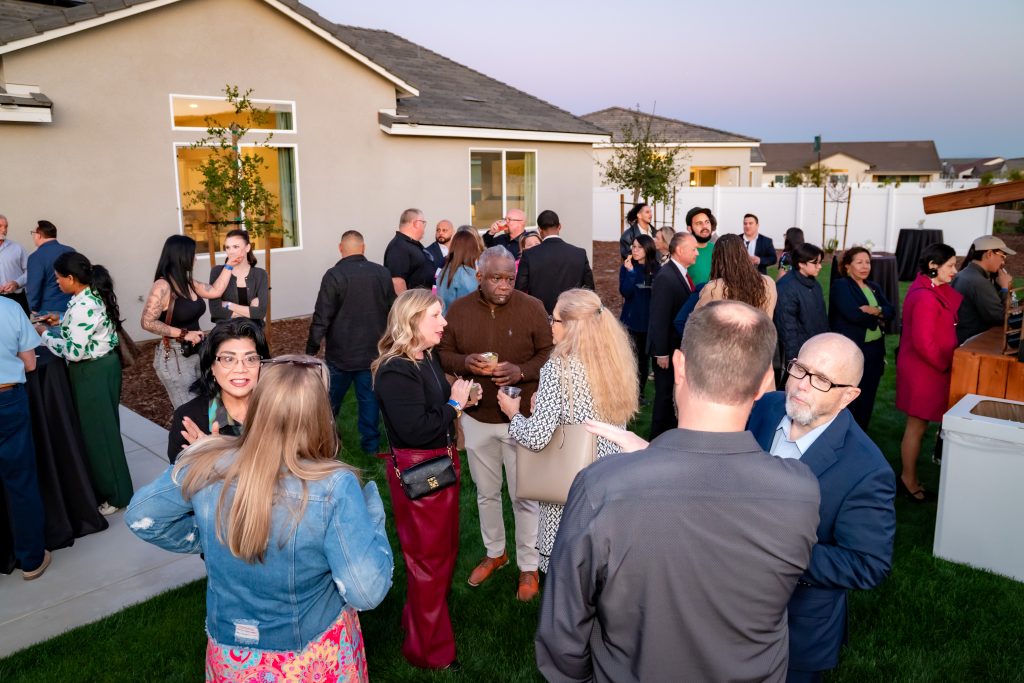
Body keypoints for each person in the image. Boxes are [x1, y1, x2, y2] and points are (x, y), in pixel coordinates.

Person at [536, 302, 820, 683]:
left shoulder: (602, 489)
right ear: (764, 382)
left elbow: (562, 633)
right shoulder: (801, 490)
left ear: (680, 366)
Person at [127, 356, 393, 682]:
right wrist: (373, 517)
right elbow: (366, 592)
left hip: (231, 657)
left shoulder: (209, 461)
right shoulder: (333, 487)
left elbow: (142, 516)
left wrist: (217, 534)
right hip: (311, 659)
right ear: (320, 415)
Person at [748, 333, 896, 682]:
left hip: (795, 631)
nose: (801, 385)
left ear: (849, 396)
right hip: (725, 609)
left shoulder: (867, 470)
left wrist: (774, 554)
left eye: (823, 380)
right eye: (800, 369)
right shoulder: (767, 408)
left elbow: (868, 564)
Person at [437, 246, 553, 601]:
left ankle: (528, 566)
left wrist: (521, 370)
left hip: (520, 419)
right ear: (480, 277)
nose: (504, 285)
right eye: (496, 278)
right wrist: (465, 362)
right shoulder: (458, 311)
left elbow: (548, 353)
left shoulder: (532, 307)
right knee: (486, 493)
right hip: (476, 418)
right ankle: (495, 552)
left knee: (524, 495)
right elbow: (443, 353)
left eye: (509, 278)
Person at [498, 288, 637, 576]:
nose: (550, 324)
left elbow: (537, 437)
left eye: (555, 319)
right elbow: (585, 412)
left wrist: (513, 413)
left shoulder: (559, 367)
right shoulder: (614, 359)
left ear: (573, 326)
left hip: (572, 487)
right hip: (611, 479)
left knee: (568, 583)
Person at [373, 290, 475, 669]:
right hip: (421, 474)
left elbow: (434, 411)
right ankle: (430, 652)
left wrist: (456, 400)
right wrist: (454, 405)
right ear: (413, 321)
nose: (444, 322)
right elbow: (417, 430)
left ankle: (418, 623)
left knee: (441, 556)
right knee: (429, 563)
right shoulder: (395, 370)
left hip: (440, 467)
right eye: (436, 315)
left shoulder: (425, 357)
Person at [36, 252, 132, 515]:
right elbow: (80, 330)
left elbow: (74, 352)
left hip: (92, 372)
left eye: (58, 278)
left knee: (100, 435)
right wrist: (58, 323)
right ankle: (114, 487)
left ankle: (117, 494)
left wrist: (45, 335)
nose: (56, 283)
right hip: (100, 369)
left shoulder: (82, 305)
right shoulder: (86, 297)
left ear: (70, 278)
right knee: (102, 431)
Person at [306, 230, 394, 452]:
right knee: (369, 401)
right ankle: (371, 447)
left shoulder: (334, 275)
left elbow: (322, 315)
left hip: (340, 354)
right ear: (363, 248)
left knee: (329, 403)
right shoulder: (382, 273)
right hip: (373, 352)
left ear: (340, 249)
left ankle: (325, 442)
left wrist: (311, 347)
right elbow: (393, 310)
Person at [141, 235, 242, 408]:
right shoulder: (163, 286)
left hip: (196, 353)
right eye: (192, 254)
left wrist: (229, 265)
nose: (195, 258)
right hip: (175, 357)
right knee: (188, 412)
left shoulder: (187, 283)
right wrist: (183, 334)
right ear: (181, 256)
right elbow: (147, 322)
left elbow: (216, 290)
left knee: (204, 407)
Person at [895, 243, 961, 503]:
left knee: (920, 426)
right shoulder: (924, 296)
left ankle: (909, 476)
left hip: (930, 369)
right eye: (950, 265)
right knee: (916, 426)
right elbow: (924, 342)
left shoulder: (932, 289)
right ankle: (907, 479)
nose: (955, 270)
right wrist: (946, 364)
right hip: (924, 371)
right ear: (933, 266)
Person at [167, 318, 270, 463]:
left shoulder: (280, 409)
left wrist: (221, 460)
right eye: (228, 359)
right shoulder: (190, 419)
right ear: (212, 367)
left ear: (262, 364)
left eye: (251, 359)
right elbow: (178, 481)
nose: (240, 369)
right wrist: (200, 466)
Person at [0, 296, 51, 579]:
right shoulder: (8, 308)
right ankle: (31, 560)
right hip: (7, 398)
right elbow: (30, 364)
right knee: (20, 480)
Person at [829, 246, 895, 430]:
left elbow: (891, 311)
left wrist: (875, 310)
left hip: (874, 350)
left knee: (868, 394)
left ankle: (861, 432)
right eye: (859, 262)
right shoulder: (841, 286)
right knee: (850, 395)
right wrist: (879, 314)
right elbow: (853, 315)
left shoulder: (874, 287)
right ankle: (843, 431)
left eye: (867, 262)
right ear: (848, 266)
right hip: (853, 349)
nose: (865, 266)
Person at [647, 232, 699, 439]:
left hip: (674, 348)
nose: (696, 253)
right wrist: (661, 353)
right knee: (664, 397)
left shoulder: (681, 274)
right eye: (693, 249)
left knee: (671, 396)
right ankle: (656, 441)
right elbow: (659, 316)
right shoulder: (666, 276)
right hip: (666, 350)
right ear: (679, 250)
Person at [515, 209, 594, 313]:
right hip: (570, 314)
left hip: (540, 314)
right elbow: (589, 290)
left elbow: (520, 290)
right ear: (559, 226)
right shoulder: (579, 254)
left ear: (540, 230)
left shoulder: (529, 255)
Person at [775, 242, 828, 375]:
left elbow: (822, 319)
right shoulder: (786, 287)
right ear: (801, 264)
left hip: (816, 351)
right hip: (800, 358)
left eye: (820, 262)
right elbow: (787, 330)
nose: (820, 266)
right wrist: (795, 363)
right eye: (815, 263)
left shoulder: (814, 285)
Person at [952, 235, 1016, 345]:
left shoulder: (964, 274)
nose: (1003, 262)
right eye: (1003, 256)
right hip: (972, 343)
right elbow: (1000, 318)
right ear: (989, 254)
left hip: (960, 336)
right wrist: (1005, 288)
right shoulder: (979, 282)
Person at [695, 233, 778, 316]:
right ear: (744, 253)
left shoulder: (714, 288)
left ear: (717, 258)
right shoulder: (769, 282)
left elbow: (696, 321)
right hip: (762, 329)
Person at [619, 234, 660, 399]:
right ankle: (627, 392)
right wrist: (630, 272)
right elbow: (625, 292)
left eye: (638, 247)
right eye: (633, 246)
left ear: (647, 248)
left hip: (648, 322)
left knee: (643, 360)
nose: (634, 250)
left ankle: (640, 393)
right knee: (629, 359)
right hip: (630, 321)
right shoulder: (628, 267)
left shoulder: (657, 269)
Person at [208, 229, 269, 326]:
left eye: (235, 247)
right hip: (225, 333)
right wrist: (250, 311)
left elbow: (260, 312)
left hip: (253, 332)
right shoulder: (217, 272)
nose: (231, 252)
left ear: (247, 247)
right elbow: (216, 311)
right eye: (227, 247)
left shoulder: (260, 274)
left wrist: (228, 305)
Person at [26, 219, 74, 316]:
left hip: (48, 310)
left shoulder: (36, 256)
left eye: (33, 233)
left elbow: (33, 287)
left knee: (48, 332)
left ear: (39, 235)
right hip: (72, 306)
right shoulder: (71, 251)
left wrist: (33, 307)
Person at [384, 208, 435, 294]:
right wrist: (406, 306)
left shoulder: (411, 244)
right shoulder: (399, 247)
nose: (424, 226)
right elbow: (397, 282)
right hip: (413, 305)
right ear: (416, 223)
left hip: (422, 302)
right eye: (423, 223)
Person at [436, 229, 482, 313]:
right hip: (462, 321)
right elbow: (474, 303)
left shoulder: (444, 270)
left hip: (445, 319)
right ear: (472, 250)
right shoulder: (466, 273)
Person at [0, 214, 30, 315]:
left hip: (16, 299)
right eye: (0, 226)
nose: (4, 230)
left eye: (6, 226)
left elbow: (30, 272)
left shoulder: (17, 248)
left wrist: (17, 283)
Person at [684, 206, 716, 284]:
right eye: (699, 223)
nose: (705, 226)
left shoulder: (717, 249)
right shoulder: (683, 251)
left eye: (707, 222)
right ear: (689, 228)